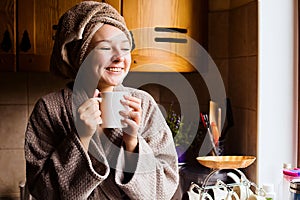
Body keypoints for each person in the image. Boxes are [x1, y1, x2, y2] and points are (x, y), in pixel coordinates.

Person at [24, 1, 179, 199]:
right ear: (79, 54)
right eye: (105, 48)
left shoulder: (144, 105)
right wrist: (80, 138)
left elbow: (163, 191)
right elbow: (42, 192)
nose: (119, 57)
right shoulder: (49, 109)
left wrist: (132, 142)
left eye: (125, 47)